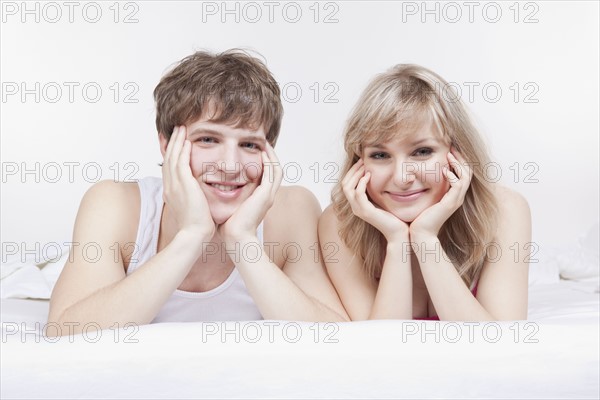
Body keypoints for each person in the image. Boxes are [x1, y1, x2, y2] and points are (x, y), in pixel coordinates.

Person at [48, 49, 349, 335]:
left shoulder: (292, 209)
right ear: (167, 145)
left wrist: (243, 240)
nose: (230, 166)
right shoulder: (115, 204)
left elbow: (335, 335)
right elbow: (65, 332)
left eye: (249, 145)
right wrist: (191, 235)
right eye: (207, 139)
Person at [318, 64, 531, 321]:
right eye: (380, 155)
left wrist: (425, 238)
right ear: (358, 162)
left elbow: (498, 345)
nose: (402, 177)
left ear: (458, 153)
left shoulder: (504, 210)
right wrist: (397, 241)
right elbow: (379, 347)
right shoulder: (341, 223)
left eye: (422, 152)